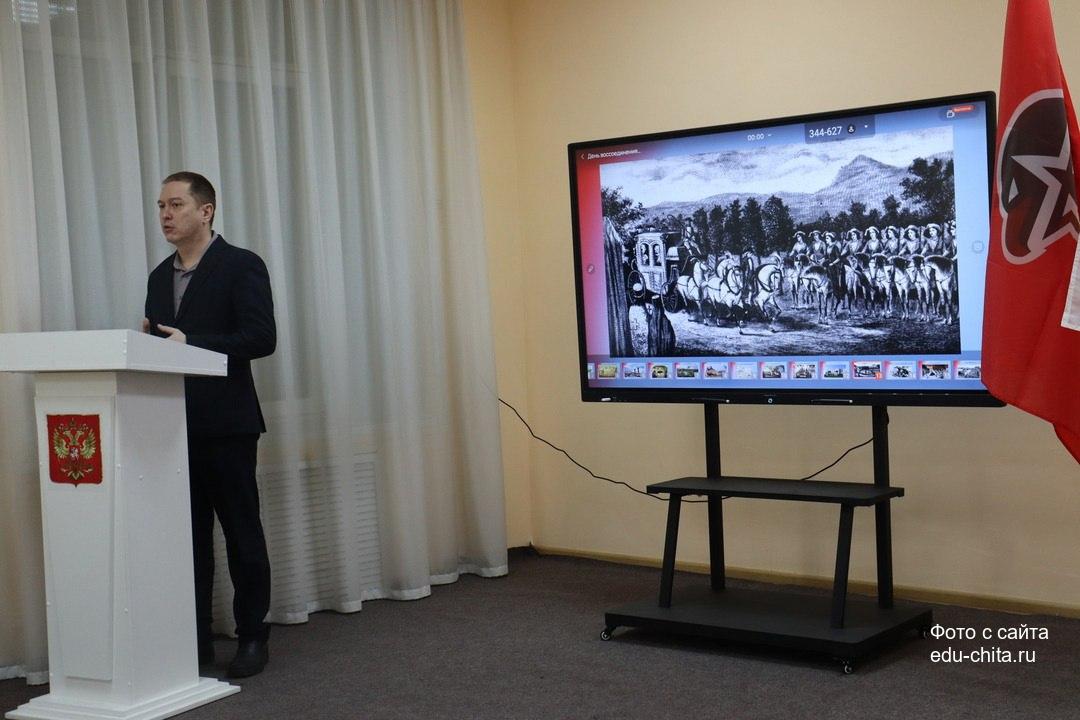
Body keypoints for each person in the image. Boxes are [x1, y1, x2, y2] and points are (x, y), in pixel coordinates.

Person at [143, 171, 276, 678]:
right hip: (173, 427)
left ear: (206, 211)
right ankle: (194, 641)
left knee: (242, 534)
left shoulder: (241, 265)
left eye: (176, 204)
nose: (165, 215)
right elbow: (164, 345)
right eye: (161, 206)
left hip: (228, 425)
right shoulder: (159, 277)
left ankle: (252, 637)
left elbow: (260, 338)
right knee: (189, 540)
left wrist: (190, 343)